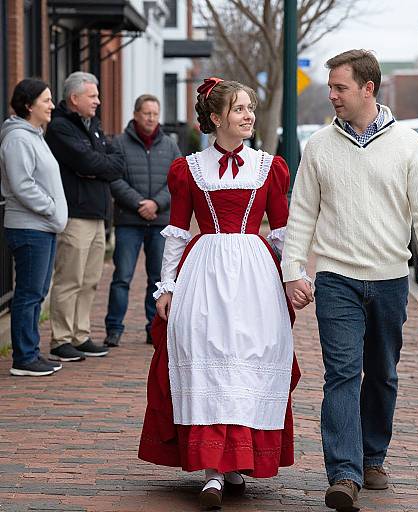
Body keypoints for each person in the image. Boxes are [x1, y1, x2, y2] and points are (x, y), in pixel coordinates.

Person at [282, 50, 418, 511]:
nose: (331, 95)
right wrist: (292, 270)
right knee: (340, 375)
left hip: (392, 279)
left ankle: (373, 456)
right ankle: (344, 474)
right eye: (331, 87)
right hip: (336, 278)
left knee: (382, 374)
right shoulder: (318, 146)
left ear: (368, 89)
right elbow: (302, 214)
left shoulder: (407, 144)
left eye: (340, 88)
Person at [138, 78, 301, 509]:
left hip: (255, 275)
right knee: (208, 359)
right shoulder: (189, 168)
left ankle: (236, 463)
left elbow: (282, 232)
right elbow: (175, 232)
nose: (248, 116)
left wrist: (294, 277)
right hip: (205, 271)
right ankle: (212, 470)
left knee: (248, 359)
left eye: (250, 108)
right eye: (240, 109)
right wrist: (166, 286)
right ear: (216, 118)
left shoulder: (270, 166)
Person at [45, 72, 124, 362]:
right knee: (70, 278)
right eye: (93, 96)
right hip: (75, 214)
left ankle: (80, 335)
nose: (99, 101)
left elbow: (117, 164)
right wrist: (96, 165)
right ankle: (61, 339)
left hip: (97, 214)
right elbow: (86, 161)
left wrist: (97, 166)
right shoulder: (60, 128)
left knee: (90, 279)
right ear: (75, 98)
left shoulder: (95, 127)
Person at [0, 79, 68, 376]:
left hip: (43, 227)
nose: (52, 105)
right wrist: (51, 209)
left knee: (36, 293)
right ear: (29, 105)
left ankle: (31, 352)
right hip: (29, 228)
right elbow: (22, 185)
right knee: (28, 294)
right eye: (46, 100)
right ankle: (24, 358)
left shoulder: (35, 136)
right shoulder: (17, 139)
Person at [103, 94, 181, 348]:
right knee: (122, 277)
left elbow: (178, 181)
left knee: (157, 280)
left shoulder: (169, 146)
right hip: (128, 220)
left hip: (159, 222)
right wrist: (139, 203)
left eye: (155, 114)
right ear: (136, 114)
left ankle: (153, 328)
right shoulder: (119, 143)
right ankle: (114, 328)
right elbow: (114, 178)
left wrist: (156, 203)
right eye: (146, 113)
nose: (151, 118)